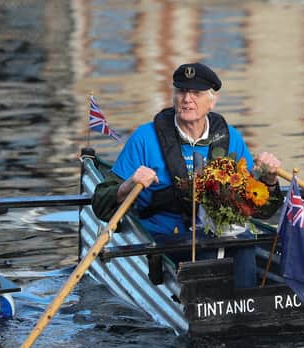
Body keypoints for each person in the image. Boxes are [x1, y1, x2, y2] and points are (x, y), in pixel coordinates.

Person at [92, 62, 283, 287]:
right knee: (203, 250)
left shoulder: (231, 138)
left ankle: (246, 305)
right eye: (181, 91)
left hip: (223, 237)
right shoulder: (145, 138)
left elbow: (261, 210)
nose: (187, 99)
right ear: (174, 96)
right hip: (166, 238)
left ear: (212, 101)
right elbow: (100, 204)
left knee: (245, 244)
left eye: (196, 93)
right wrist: (130, 184)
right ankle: (207, 308)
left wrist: (270, 181)